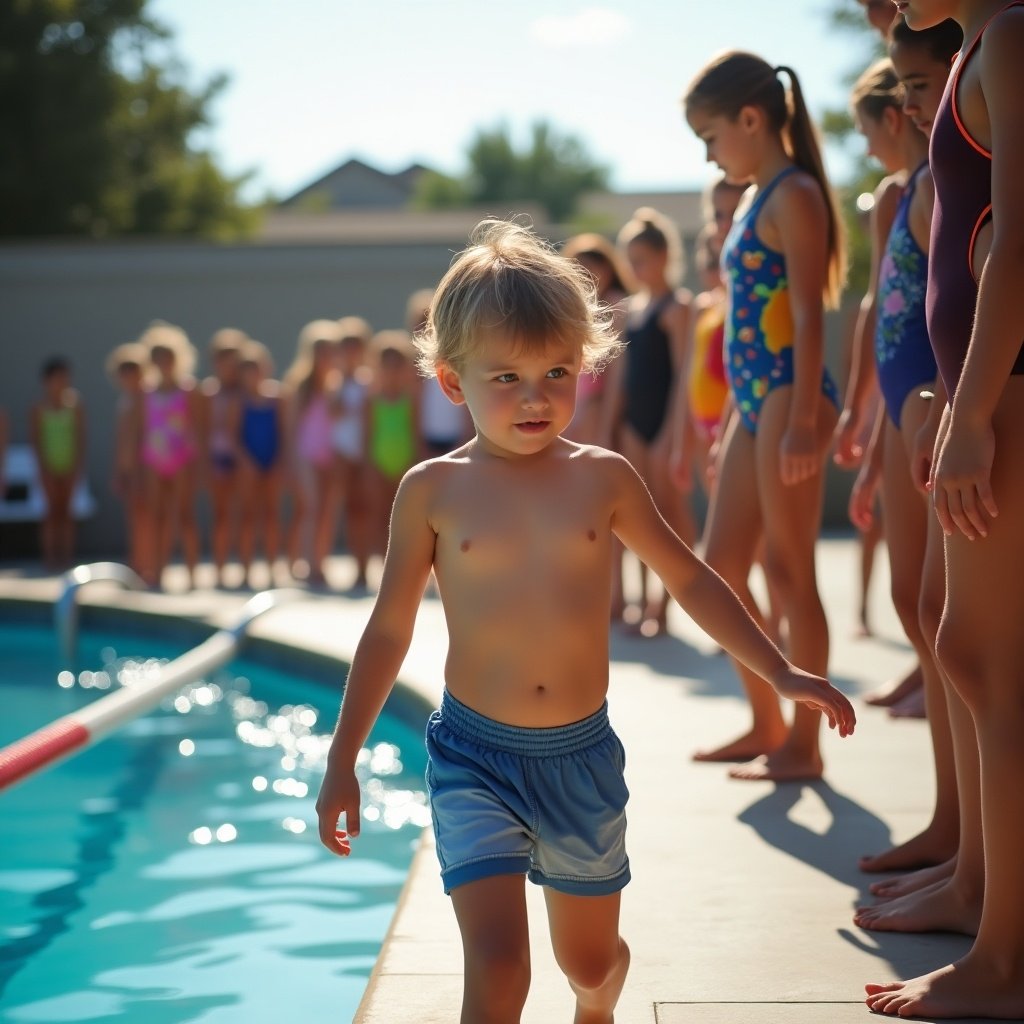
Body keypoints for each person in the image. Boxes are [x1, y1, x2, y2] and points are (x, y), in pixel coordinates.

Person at [315, 220, 856, 1024]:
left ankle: (598, 1007)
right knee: (499, 973)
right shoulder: (432, 492)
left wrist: (777, 669)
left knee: (590, 965)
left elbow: (691, 579)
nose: (536, 397)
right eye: (507, 377)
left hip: (580, 761)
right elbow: (389, 632)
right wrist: (344, 756)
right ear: (452, 381)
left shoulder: (603, 479)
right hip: (474, 757)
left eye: (557, 371)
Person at [865, 2, 1024, 1018]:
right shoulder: (980, 41)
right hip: (980, 388)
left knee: (990, 663)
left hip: (1003, 390)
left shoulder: (1008, 36)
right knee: (970, 653)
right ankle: (980, 894)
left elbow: (1016, 234)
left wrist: (971, 407)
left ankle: (1004, 963)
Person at [683, 52, 847, 781]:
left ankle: (804, 748)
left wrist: (806, 419)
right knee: (720, 567)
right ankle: (767, 719)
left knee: (789, 571)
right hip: (752, 401)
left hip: (789, 390)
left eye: (711, 135)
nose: (710, 152)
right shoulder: (749, 195)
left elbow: (810, 317)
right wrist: (732, 431)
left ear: (752, 119)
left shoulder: (794, 194)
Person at [842, 31, 962, 886]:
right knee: (917, 606)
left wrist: (947, 406)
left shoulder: (944, 179)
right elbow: (877, 308)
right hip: (903, 408)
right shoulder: (908, 188)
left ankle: (966, 838)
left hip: (933, 409)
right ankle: (951, 822)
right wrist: (864, 408)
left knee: (946, 625)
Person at [613, 208, 695, 637]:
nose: (635, 267)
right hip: (634, 423)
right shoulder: (633, 309)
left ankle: (665, 604)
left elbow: (685, 376)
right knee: (636, 519)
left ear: (663, 257)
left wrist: (675, 434)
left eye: (641, 258)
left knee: (669, 516)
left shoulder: (678, 307)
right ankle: (642, 601)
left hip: (664, 422)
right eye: (630, 259)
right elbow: (624, 378)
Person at [138, 322, 201, 590]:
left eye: (169, 358)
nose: (164, 363)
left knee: (185, 515)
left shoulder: (189, 389)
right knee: (158, 515)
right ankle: (158, 572)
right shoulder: (146, 392)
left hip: (182, 457)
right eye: (159, 358)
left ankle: (191, 575)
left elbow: (198, 426)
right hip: (154, 457)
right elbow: (140, 427)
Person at [283, 320, 343, 587]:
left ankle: (319, 562)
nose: (326, 358)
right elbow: (291, 427)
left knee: (327, 511)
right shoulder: (300, 386)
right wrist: (291, 462)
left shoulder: (338, 386)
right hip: (306, 455)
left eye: (330, 351)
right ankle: (306, 564)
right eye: (321, 351)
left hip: (332, 456)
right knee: (311, 508)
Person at [561, 234, 633, 446]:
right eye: (578, 268)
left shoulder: (616, 305)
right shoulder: (571, 309)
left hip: (597, 405)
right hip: (575, 404)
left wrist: (606, 426)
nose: (586, 275)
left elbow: (616, 374)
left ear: (608, 269)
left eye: (591, 267)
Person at [362, 330, 422, 564]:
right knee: (377, 516)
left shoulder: (412, 398)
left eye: (397, 366)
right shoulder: (371, 400)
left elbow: (415, 433)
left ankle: (401, 565)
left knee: (403, 520)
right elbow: (368, 435)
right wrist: (369, 465)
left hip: (405, 462)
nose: (392, 372)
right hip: (378, 463)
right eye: (386, 366)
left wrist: (414, 462)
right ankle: (374, 567)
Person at [201, 328, 247, 588]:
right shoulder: (208, 393)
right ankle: (219, 571)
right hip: (217, 457)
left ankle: (243, 570)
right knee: (221, 515)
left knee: (243, 514)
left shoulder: (245, 393)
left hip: (242, 459)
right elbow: (202, 429)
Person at [30, 356, 85, 571]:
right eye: (57, 377)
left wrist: (77, 466)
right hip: (48, 467)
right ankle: (50, 559)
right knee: (51, 513)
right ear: (47, 380)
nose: (62, 381)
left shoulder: (76, 405)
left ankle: (66, 558)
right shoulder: (38, 407)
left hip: (69, 466)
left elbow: (80, 438)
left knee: (67, 512)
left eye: (65, 377)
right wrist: (43, 469)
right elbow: (36, 440)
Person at [237, 340, 284, 589]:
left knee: (271, 516)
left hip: (272, 462)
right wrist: (246, 461)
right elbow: (235, 435)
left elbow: (284, 433)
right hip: (249, 465)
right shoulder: (239, 402)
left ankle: (272, 570)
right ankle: (245, 570)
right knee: (248, 516)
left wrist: (278, 461)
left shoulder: (277, 397)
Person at [330, 317, 373, 591]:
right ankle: (355, 566)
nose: (350, 353)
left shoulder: (370, 381)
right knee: (349, 510)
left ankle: (366, 568)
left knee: (367, 510)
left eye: (355, 347)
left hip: (365, 454)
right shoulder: (334, 383)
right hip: (342, 454)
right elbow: (333, 412)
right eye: (346, 347)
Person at [408, 289, 472, 459]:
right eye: (420, 324)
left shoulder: (458, 360)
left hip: (457, 439)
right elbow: (414, 408)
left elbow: (467, 404)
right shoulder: (412, 368)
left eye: (428, 323)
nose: (424, 330)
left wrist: (465, 438)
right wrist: (419, 444)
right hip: (428, 442)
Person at [105, 342, 150, 580]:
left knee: (146, 516)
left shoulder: (144, 401)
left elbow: (145, 437)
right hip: (128, 468)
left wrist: (142, 469)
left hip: (143, 467)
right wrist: (118, 470)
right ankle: (136, 561)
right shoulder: (125, 401)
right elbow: (121, 439)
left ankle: (146, 563)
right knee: (134, 517)